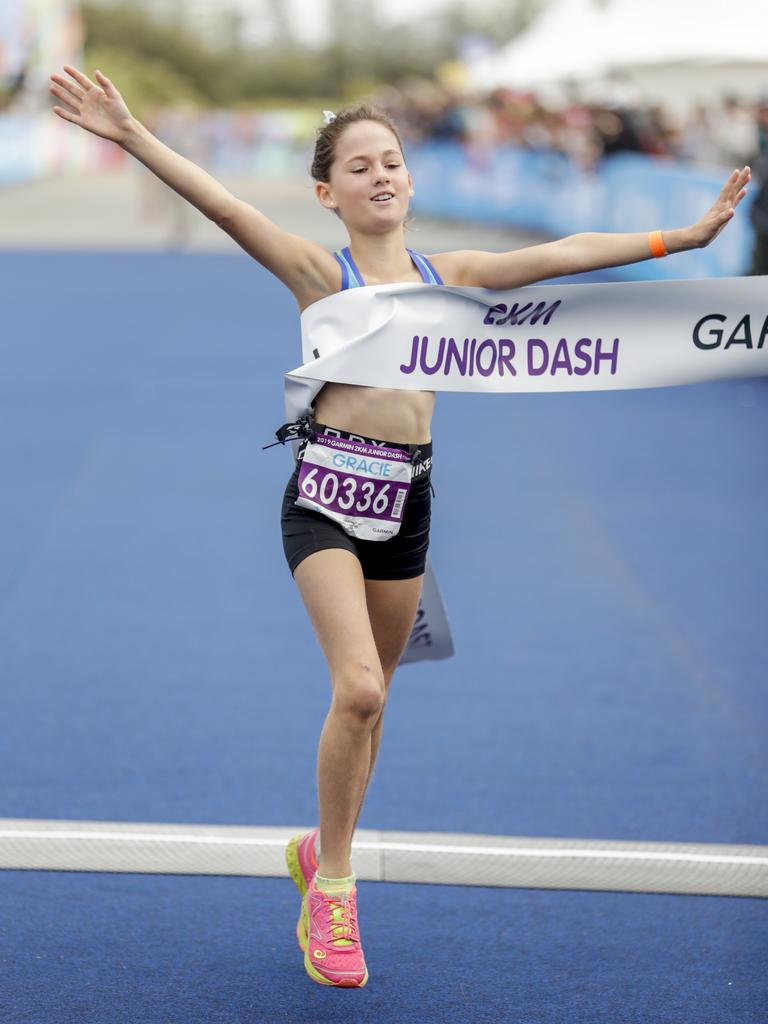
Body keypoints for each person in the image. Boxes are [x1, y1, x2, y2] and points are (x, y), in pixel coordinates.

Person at [48, 64, 751, 990]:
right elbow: (220, 204)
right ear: (326, 192)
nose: (381, 175)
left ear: (411, 181)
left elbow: (563, 254)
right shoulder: (319, 272)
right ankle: (334, 890)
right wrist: (130, 133)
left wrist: (683, 237)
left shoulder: (447, 276)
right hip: (327, 501)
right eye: (360, 165)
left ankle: (318, 849)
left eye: (392, 162)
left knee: (379, 697)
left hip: (408, 504)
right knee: (362, 692)